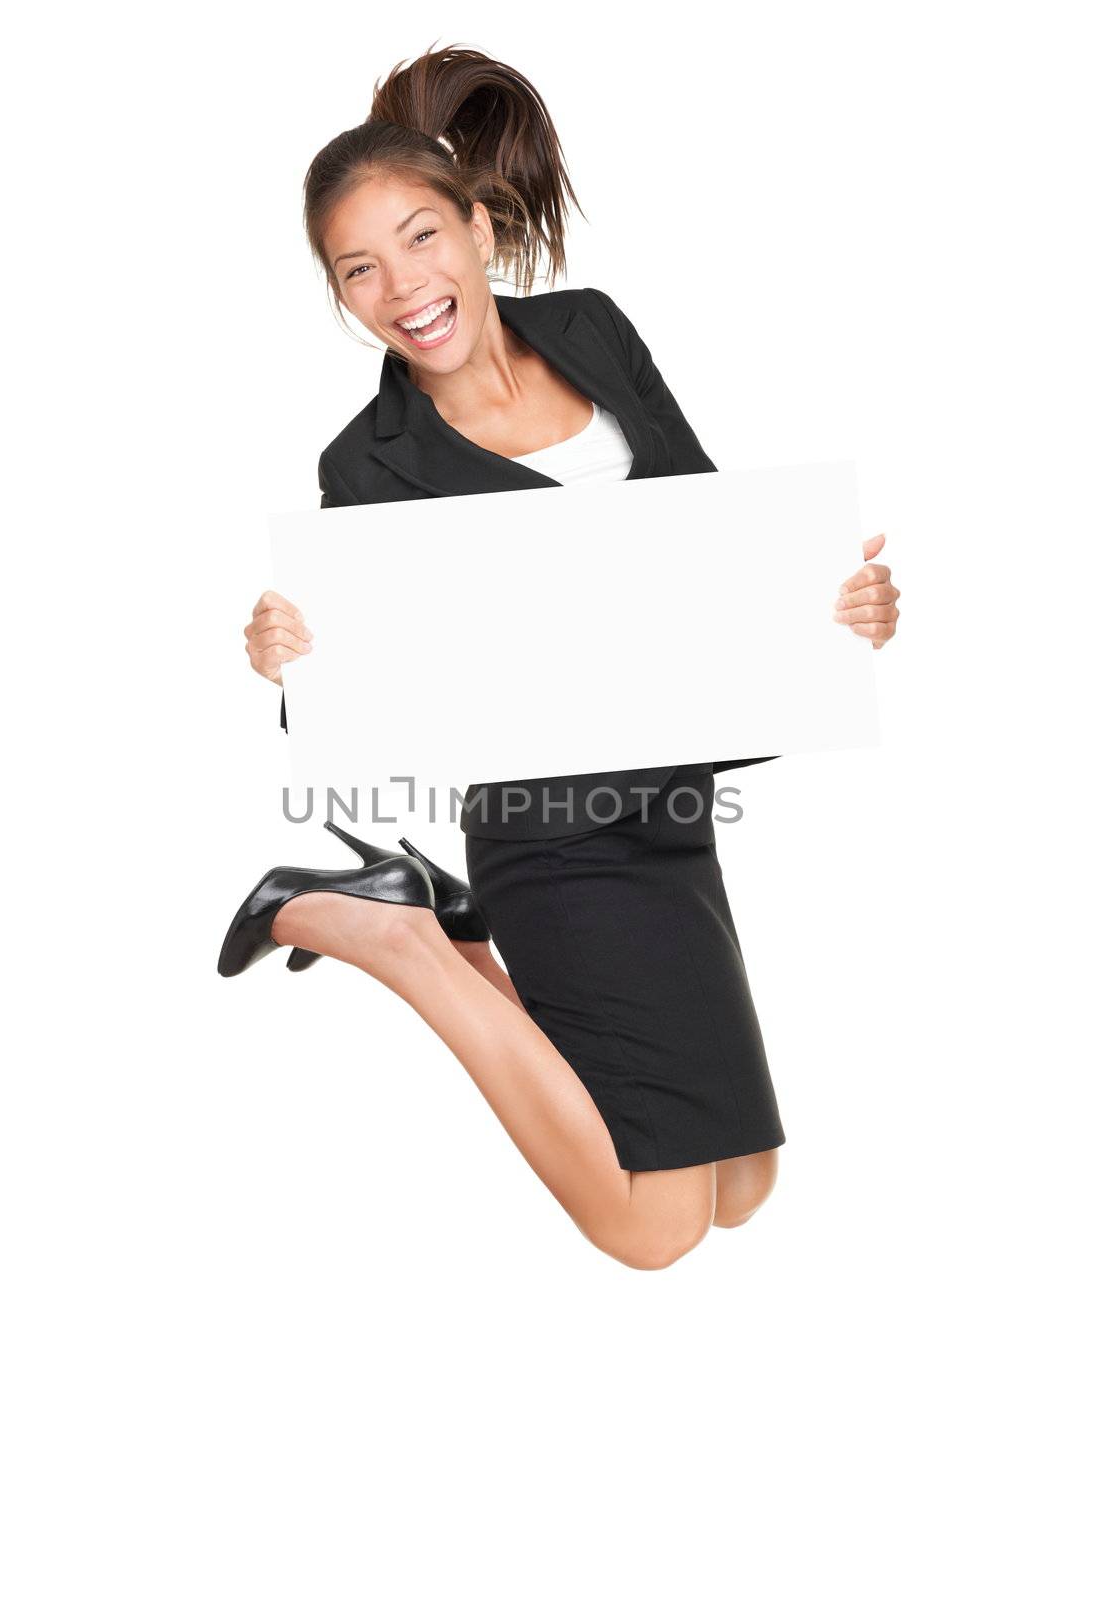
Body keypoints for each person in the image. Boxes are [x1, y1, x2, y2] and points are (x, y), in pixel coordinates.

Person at [227, 45, 901, 1270]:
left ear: (479, 227)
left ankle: (436, 923)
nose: (401, 287)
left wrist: (829, 615)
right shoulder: (369, 465)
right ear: (342, 296)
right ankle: (395, 938)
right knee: (654, 1228)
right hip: (551, 832)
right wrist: (292, 663)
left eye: (421, 238)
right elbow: (359, 707)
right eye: (358, 269)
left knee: (743, 1191)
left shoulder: (591, 331)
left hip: (670, 814)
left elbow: (711, 548)